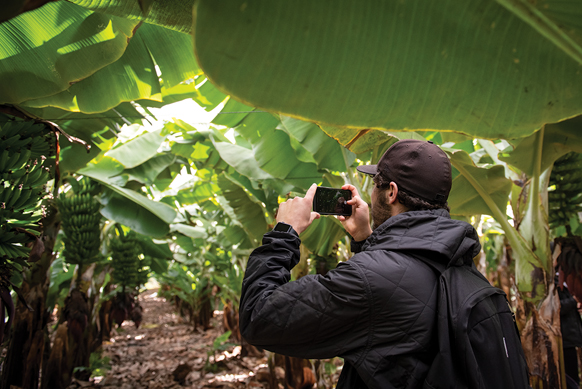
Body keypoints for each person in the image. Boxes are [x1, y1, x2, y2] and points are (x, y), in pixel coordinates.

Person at [239, 139, 482, 388]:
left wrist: (284, 232)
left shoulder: (368, 280)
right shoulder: (461, 262)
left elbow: (258, 317)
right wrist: (365, 239)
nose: (371, 192)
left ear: (392, 193)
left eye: (376, 184)